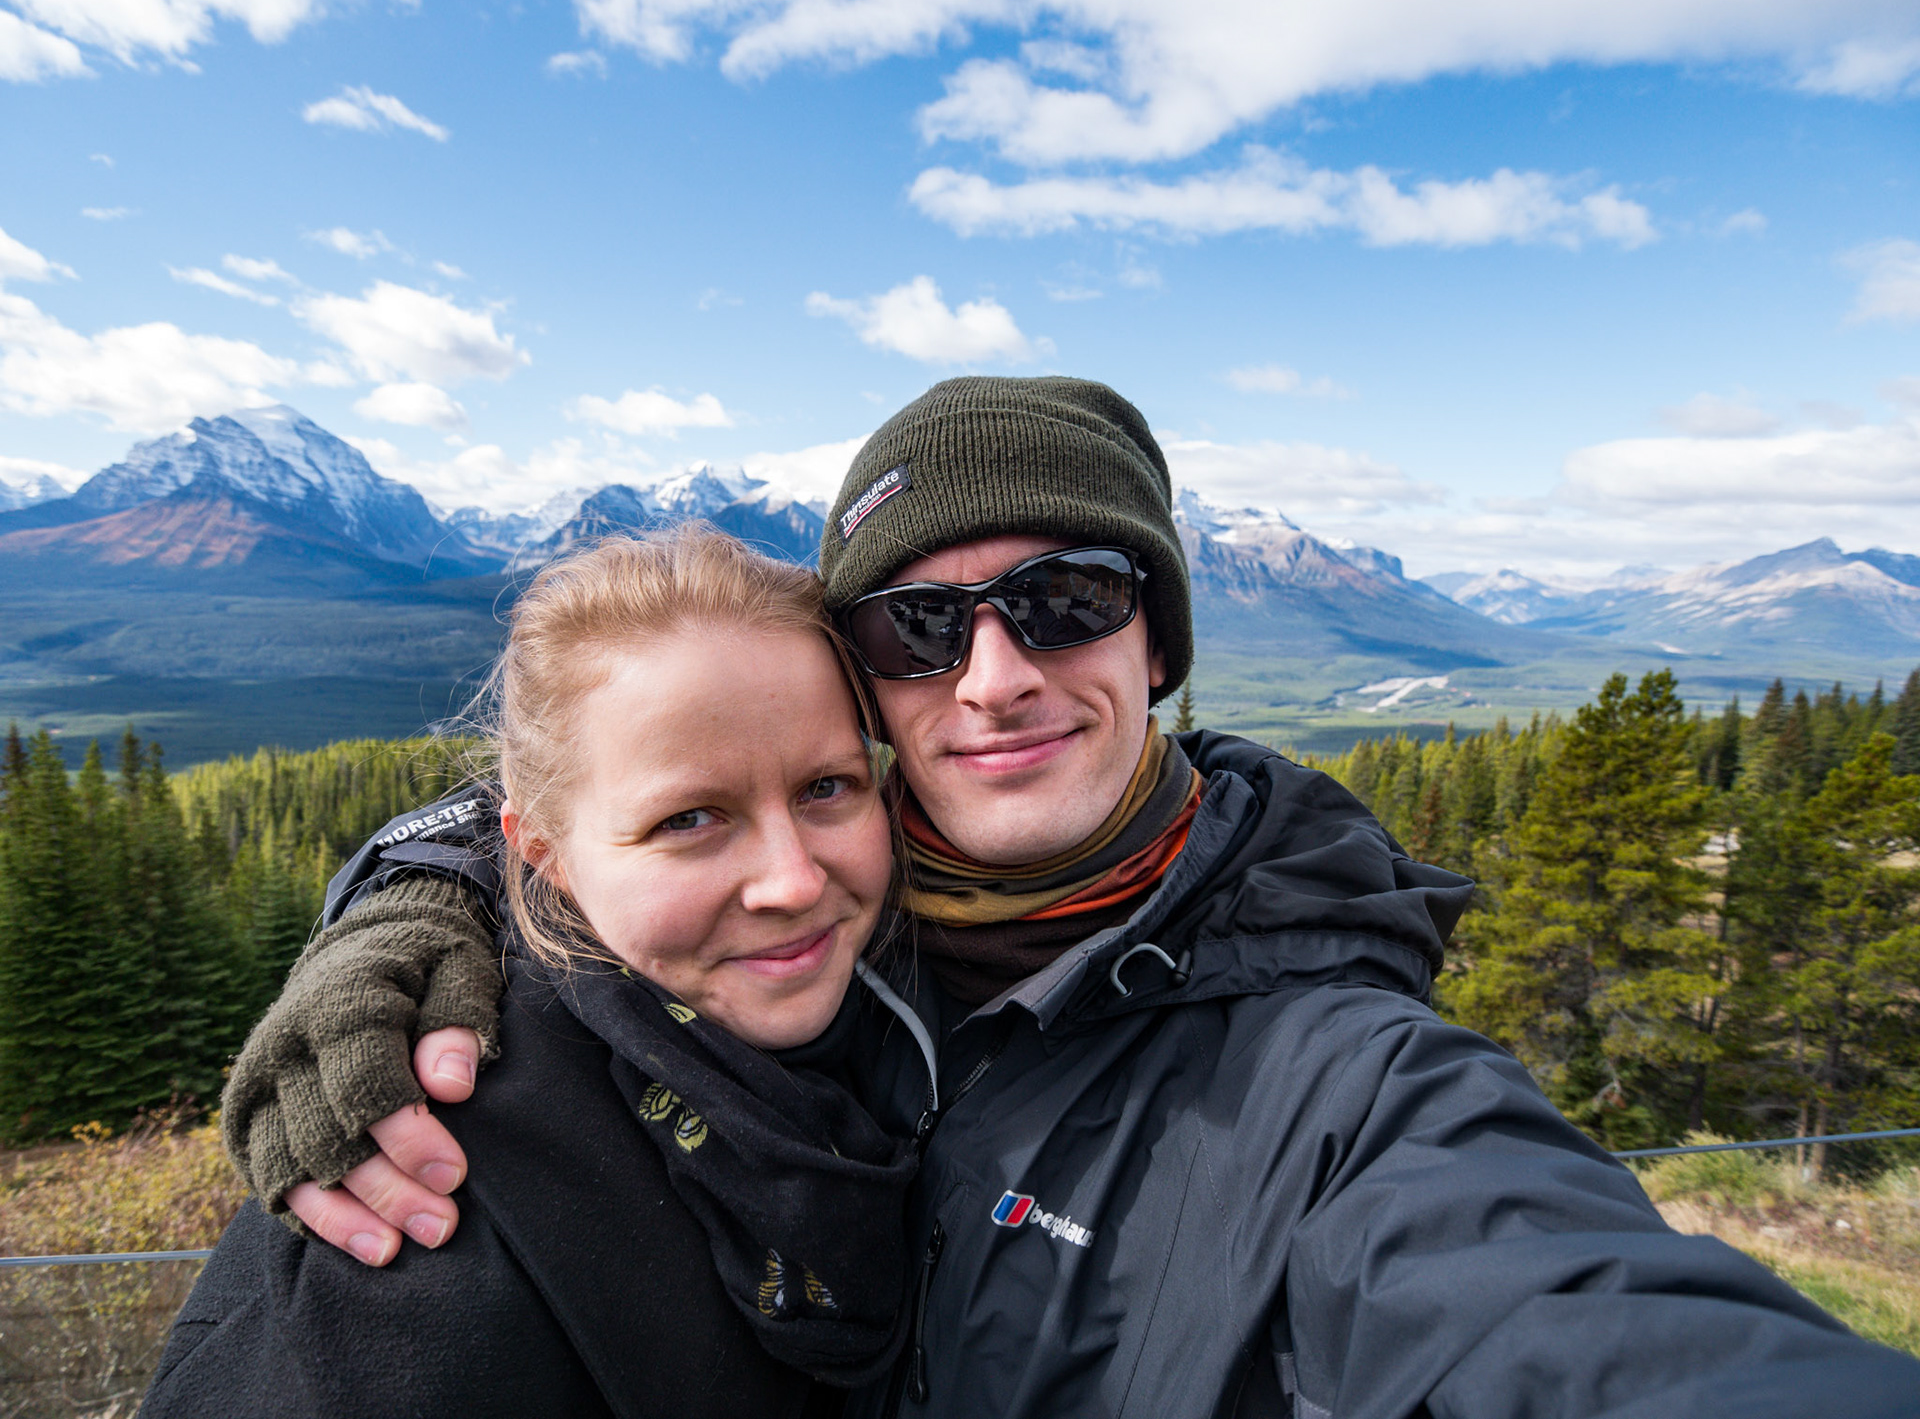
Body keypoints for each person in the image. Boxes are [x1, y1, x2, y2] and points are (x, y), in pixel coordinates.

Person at [219, 378, 1920, 1417]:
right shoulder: (655, 1030)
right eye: (919, 626)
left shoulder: (1337, 1081)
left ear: (1158, 641)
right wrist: (414, 893)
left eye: (1071, 597)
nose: (996, 678)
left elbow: (1550, 1307)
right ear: (863, 688)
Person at [143, 527, 924, 1418]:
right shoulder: (423, 1184)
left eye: (827, 787)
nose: (792, 880)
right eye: (690, 818)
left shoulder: (928, 1001)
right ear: (544, 853)